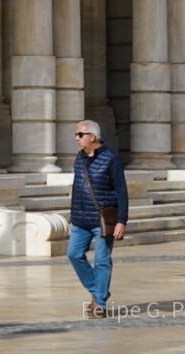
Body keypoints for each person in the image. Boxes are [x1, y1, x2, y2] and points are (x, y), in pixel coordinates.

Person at [67, 119, 127, 319]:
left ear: (92, 137)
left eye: (80, 135)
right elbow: (76, 188)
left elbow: (121, 191)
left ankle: (99, 303)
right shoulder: (79, 158)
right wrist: (71, 218)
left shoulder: (111, 159)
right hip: (80, 220)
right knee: (74, 254)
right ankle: (98, 290)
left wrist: (122, 220)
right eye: (77, 135)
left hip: (103, 220)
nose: (77, 138)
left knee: (102, 261)